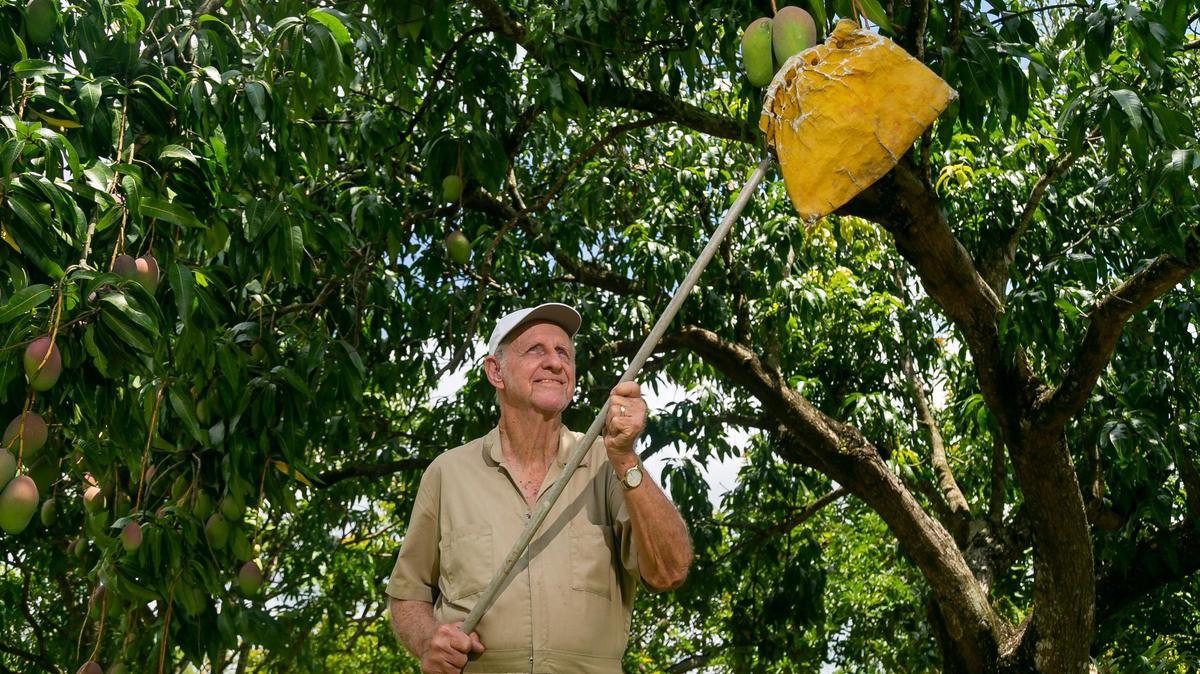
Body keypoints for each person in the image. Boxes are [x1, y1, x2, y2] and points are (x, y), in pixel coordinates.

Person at [386, 302, 694, 673]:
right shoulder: (447, 473)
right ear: (495, 372)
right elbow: (408, 594)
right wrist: (426, 641)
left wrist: (627, 459)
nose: (554, 362)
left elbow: (669, 571)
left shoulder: (607, 463)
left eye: (563, 353)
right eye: (536, 350)